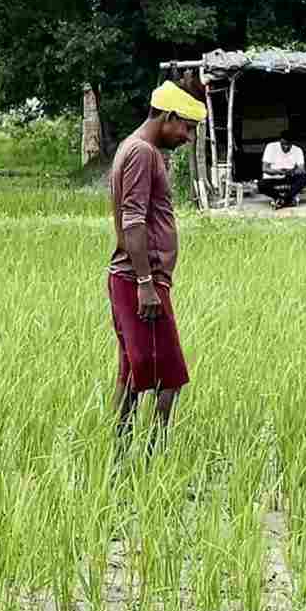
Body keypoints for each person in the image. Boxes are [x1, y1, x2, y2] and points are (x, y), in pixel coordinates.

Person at [107, 79, 205, 455]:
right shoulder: (143, 153)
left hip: (134, 279)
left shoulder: (135, 149)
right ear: (168, 116)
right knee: (171, 375)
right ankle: (153, 455)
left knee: (134, 372)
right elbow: (133, 222)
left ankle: (120, 454)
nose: (189, 137)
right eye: (188, 127)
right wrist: (146, 283)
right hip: (138, 281)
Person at [258, 131, 306, 209]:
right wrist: (279, 171)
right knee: (261, 185)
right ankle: (287, 200)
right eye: (283, 144)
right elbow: (265, 168)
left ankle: (281, 200)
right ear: (280, 141)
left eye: (288, 144)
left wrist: (291, 172)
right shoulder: (271, 147)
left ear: (292, 143)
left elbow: (301, 169)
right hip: (272, 178)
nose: (285, 147)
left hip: (289, 176)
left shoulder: (298, 150)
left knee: (304, 177)